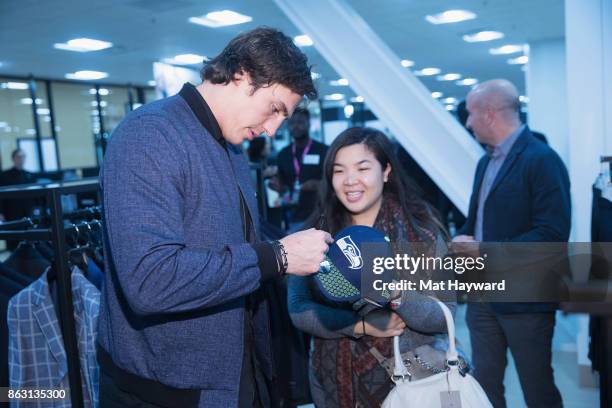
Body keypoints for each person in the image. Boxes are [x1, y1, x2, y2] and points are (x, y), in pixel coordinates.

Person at [97, 27, 333, 408]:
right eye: (275, 109)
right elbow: (150, 280)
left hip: (235, 377)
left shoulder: (230, 148)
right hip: (168, 393)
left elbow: (234, 249)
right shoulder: (149, 135)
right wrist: (279, 256)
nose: (273, 129)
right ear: (241, 75)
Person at [287, 127, 455, 407]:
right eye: (339, 171)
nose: (350, 181)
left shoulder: (418, 233)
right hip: (330, 385)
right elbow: (298, 308)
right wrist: (360, 325)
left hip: (408, 383)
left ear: (386, 171)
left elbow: (443, 315)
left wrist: (393, 293)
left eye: (363, 168)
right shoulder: (316, 236)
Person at [453, 79, 570, 408]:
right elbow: (478, 220)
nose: (468, 122)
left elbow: (552, 235)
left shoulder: (542, 160)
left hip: (526, 302)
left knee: (538, 390)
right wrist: (461, 239)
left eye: (471, 114)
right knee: (485, 387)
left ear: (490, 114)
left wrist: (484, 251)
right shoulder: (485, 162)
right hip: (482, 299)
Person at [270, 107, 328, 226]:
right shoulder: (283, 154)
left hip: (321, 213)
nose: (295, 126)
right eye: (291, 123)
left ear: (308, 124)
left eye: (300, 122)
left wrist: (318, 184)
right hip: (293, 215)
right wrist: (277, 185)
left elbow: (333, 180)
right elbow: (283, 182)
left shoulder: (324, 151)